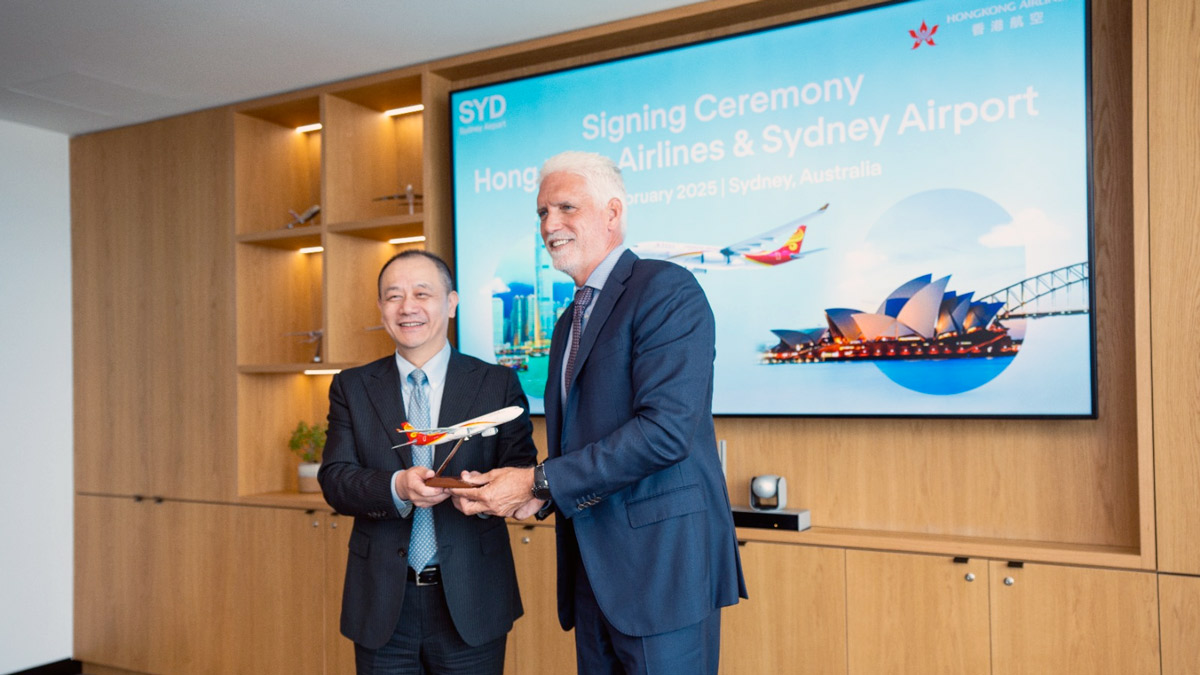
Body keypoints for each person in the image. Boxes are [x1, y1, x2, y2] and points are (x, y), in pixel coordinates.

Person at [451, 151, 746, 674]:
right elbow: (583, 445)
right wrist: (528, 496)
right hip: (593, 577)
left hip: (662, 575)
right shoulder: (569, 320)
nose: (550, 225)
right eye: (542, 213)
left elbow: (664, 433)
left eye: (566, 207)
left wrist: (537, 482)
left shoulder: (665, 289)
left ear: (612, 213)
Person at [318, 249, 538, 675]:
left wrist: (490, 491)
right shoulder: (352, 386)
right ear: (381, 307)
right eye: (393, 296)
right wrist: (397, 487)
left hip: (472, 599)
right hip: (382, 604)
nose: (408, 307)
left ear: (452, 303)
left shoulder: (497, 383)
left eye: (423, 293)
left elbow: (521, 472)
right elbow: (336, 480)